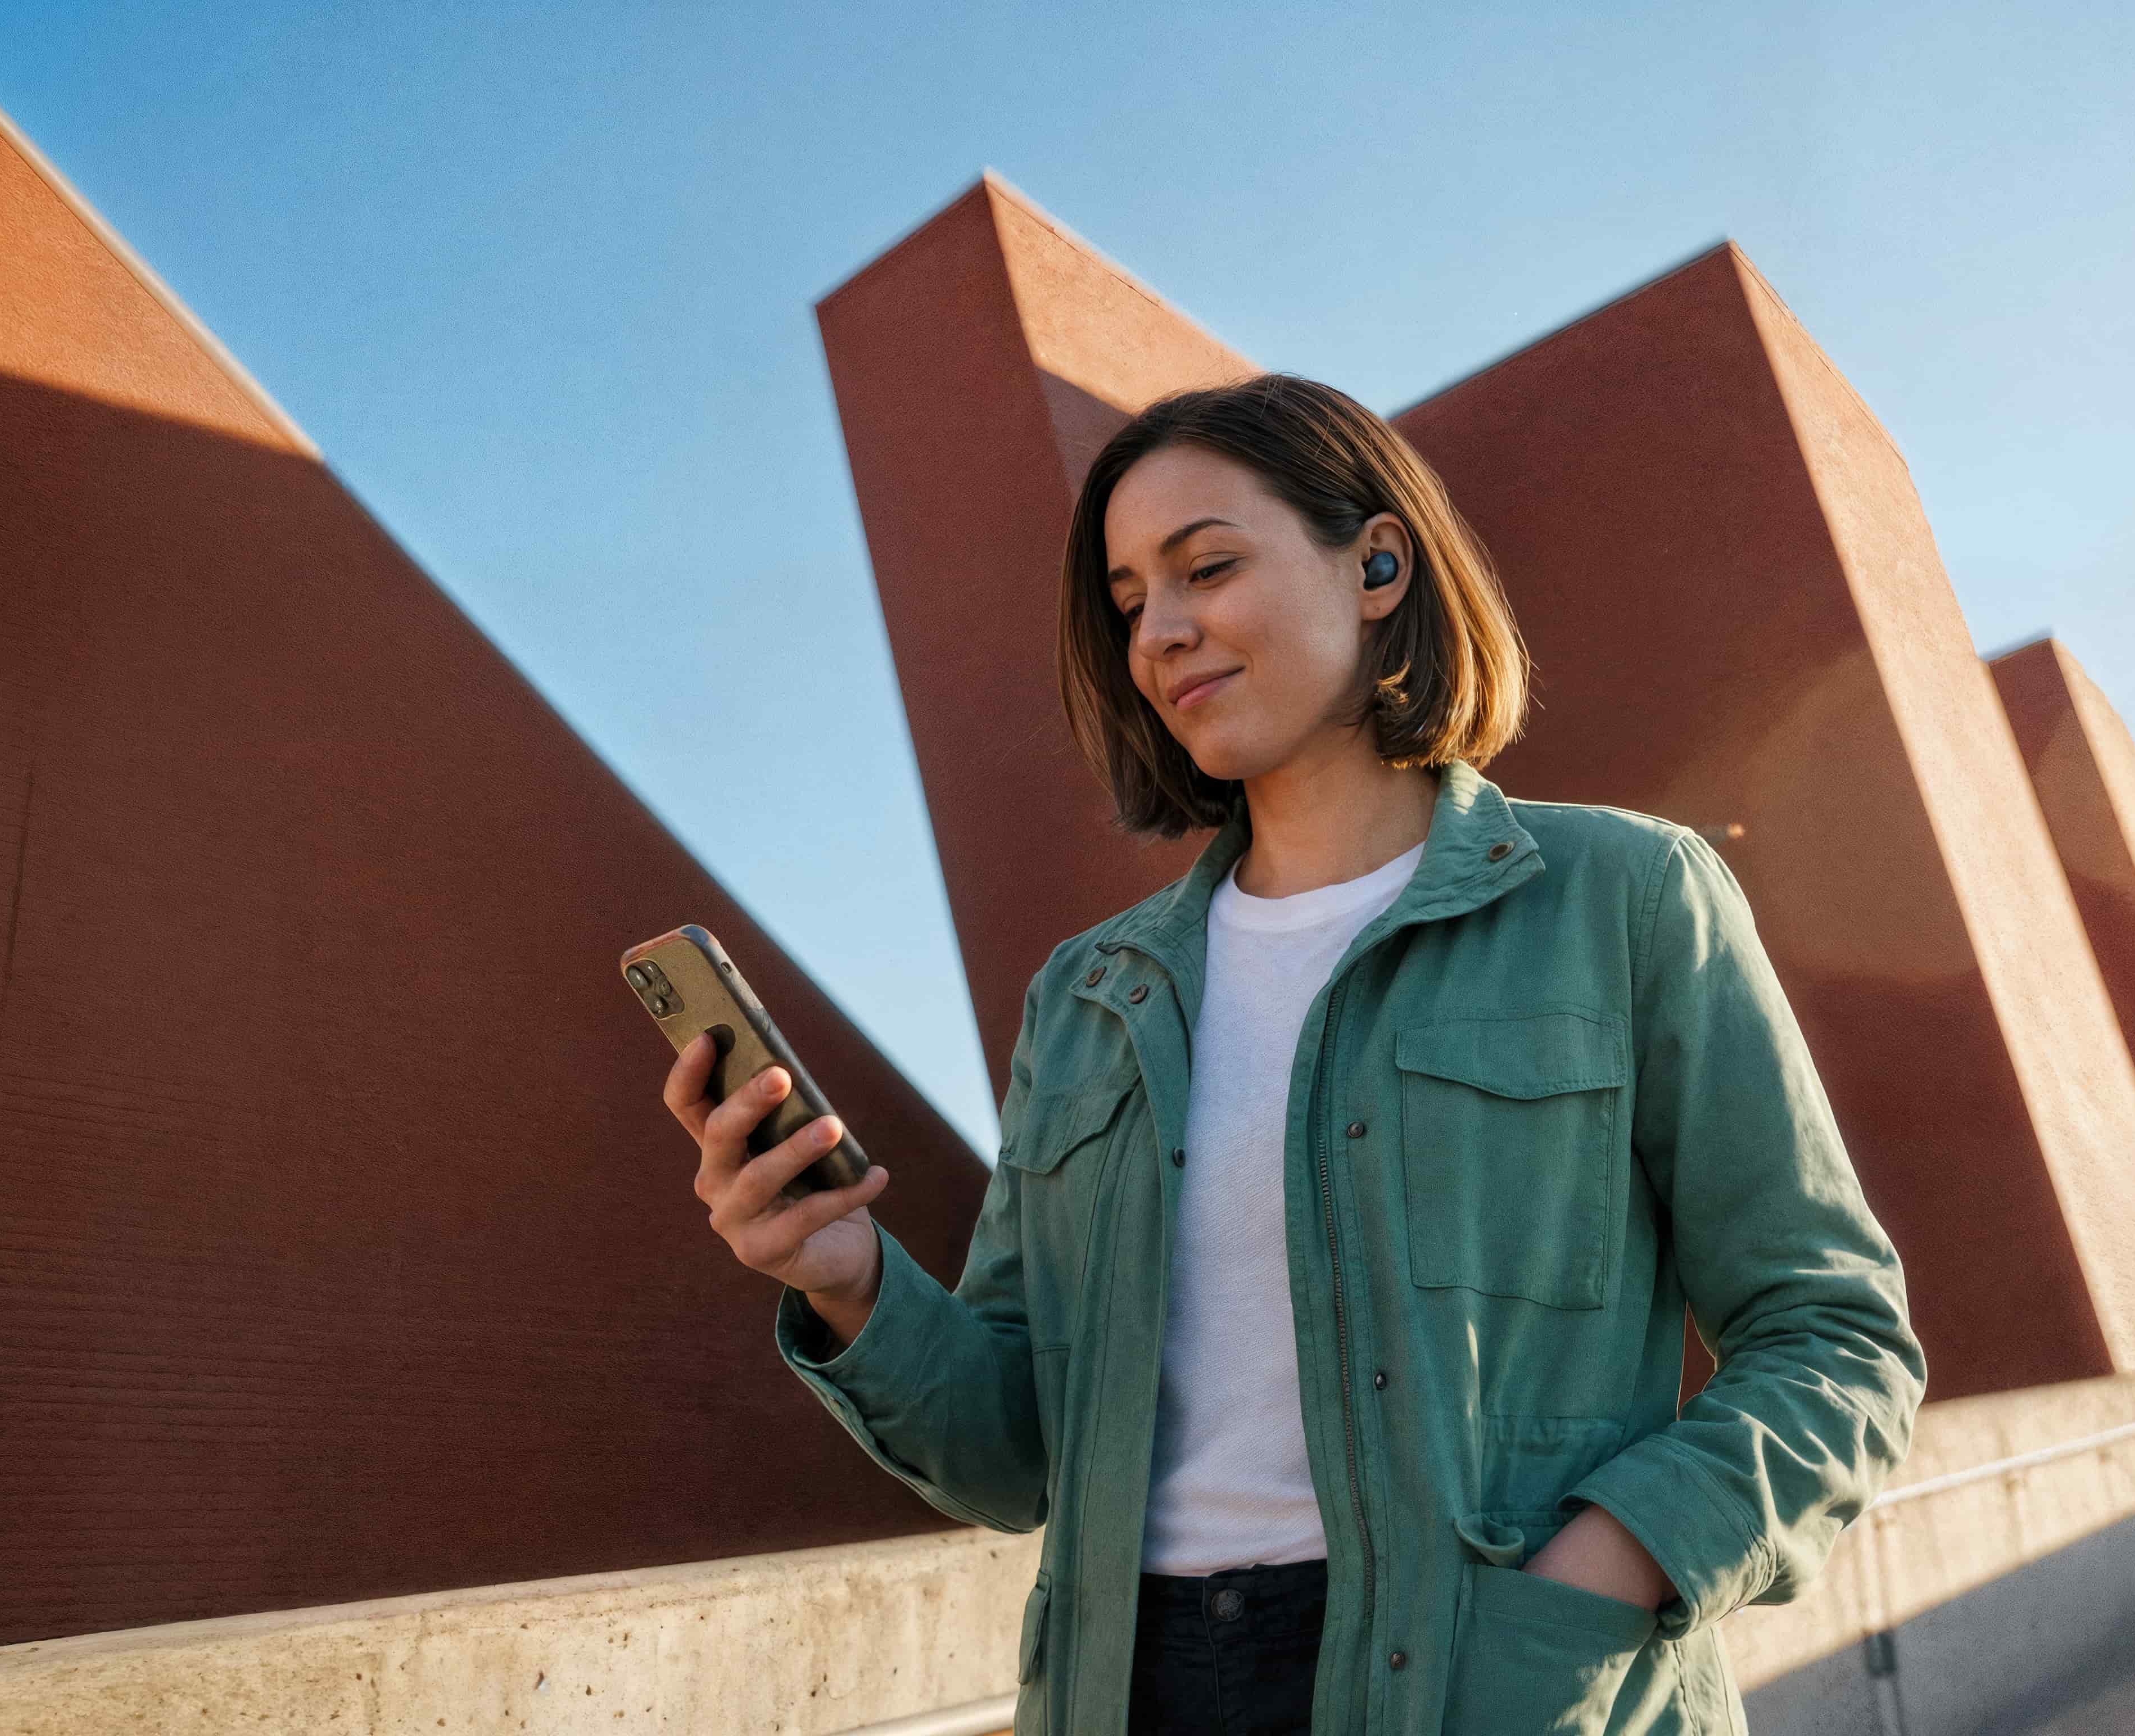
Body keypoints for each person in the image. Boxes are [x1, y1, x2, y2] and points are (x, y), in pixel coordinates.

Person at [665, 374, 1926, 1735]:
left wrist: (1601, 1578)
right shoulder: (1089, 995)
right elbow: (1019, 1457)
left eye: (1207, 567)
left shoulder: (1619, 899)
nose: (1162, 630)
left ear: (1378, 563)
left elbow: (1835, 1337)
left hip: (1492, 1686)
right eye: (1130, 599)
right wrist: (848, 1281)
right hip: (1129, 1692)